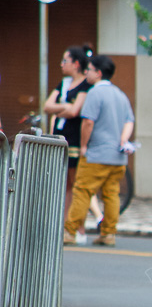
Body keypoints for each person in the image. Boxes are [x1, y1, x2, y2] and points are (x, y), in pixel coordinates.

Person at [62, 54, 135, 247]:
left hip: (96, 154)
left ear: (99, 73)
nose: (87, 73)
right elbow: (130, 120)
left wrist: (84, 145)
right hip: (118, 157)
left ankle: (69, 232)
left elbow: (87, 122)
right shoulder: (120, 94)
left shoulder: (95, 93)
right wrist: (124, 139)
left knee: (82, 191)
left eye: (90, 69)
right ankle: (108, 234)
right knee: (111, 194)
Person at [44, 44, 102, 233]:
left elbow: (75, 111)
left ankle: (79, 227)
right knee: (66, 184)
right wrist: (65, 107)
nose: (61, 64)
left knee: (78, 184)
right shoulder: (64, 83)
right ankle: (65, 225)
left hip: (77, 138)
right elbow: (47, 106)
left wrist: (61, 108)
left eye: (65, 61)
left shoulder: (86, 85)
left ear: (76, 64)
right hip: (62, 136)